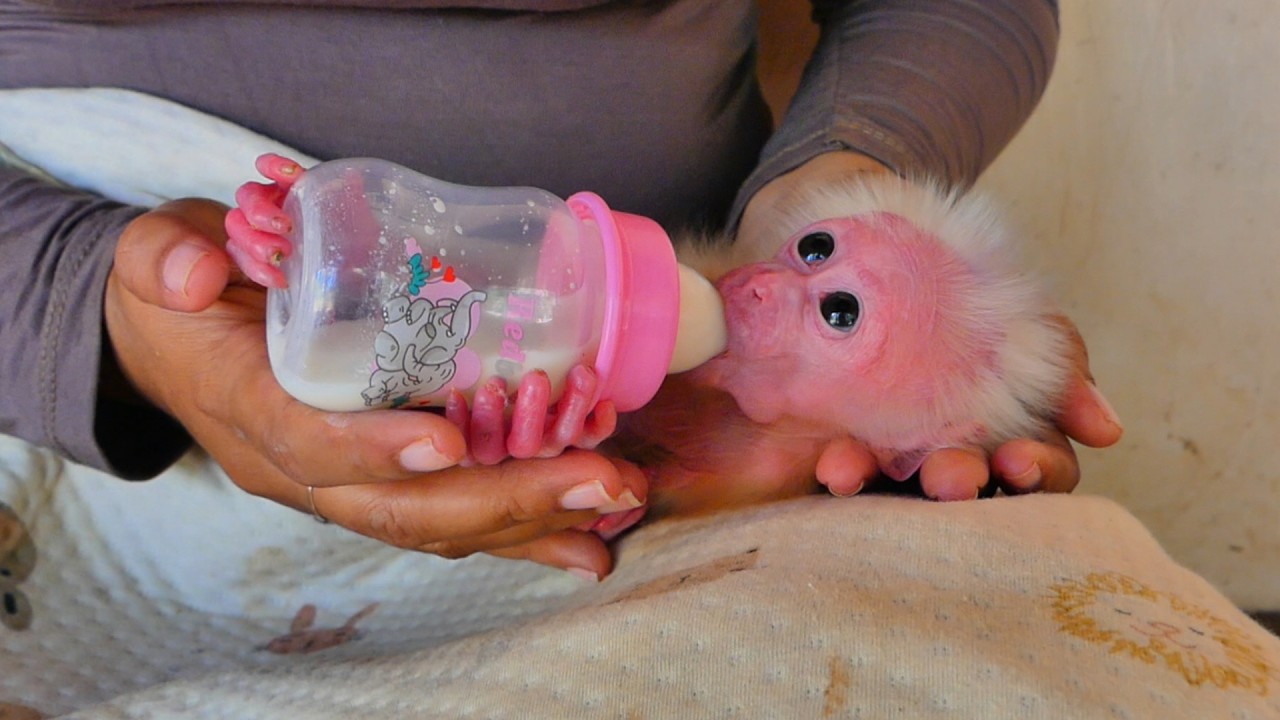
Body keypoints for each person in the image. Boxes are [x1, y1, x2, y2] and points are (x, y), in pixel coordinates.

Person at [0, 0, 1121, 580]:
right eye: (816, 254)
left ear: (908, 437)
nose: (778, 277)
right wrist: (88, 300)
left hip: (561, 490)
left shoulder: (804, 444)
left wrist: (837, 168)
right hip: (109, 386)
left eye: (838, 309)